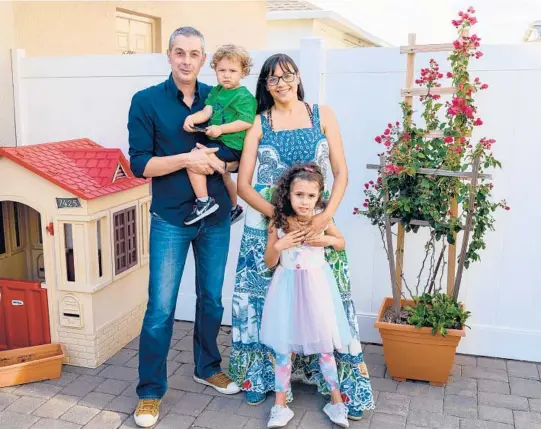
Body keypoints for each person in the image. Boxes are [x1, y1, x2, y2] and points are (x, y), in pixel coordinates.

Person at [228, 53, 375, 420]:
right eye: (272, 78)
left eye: (287, 75)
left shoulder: (322, 114)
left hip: (315, 222)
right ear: (264, 85)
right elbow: (244, 186)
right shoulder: (258, 123)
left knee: (326, 300)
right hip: (267, 223)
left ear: (298, 77)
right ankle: (262, 380)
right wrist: (281, 218)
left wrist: (324, 216)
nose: (281, 83)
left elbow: (341, 173)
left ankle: (337, 387)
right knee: (263, 300)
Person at [128, 27, 240, 428]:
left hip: (215, 217)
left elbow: (235, 156)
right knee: (160, 309)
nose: (187, 60)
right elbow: (140, 164)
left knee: (211, 299)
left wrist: (216, 163)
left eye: (194, 53)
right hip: (171, 219)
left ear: (204, 57)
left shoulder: (220, 97)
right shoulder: (146, 102)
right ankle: (150, 392)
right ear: (169, 55)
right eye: (180, 52)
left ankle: (207, 367)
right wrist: (186, 160)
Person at [261, 163, 361, 428]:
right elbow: (270, 261)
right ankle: (280, 405)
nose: (304, 202)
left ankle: (336, 401)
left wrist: (326, 240)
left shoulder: (322, 218)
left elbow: (341, 242)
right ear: (288, 194)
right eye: (299, 195)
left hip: (317, 288)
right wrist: (281, 244)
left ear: (319, 196)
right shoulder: (279, 220)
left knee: (325, 348)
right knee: (284, 349)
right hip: (287, 289)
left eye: (310, 196)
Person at [183, 44, 257, 226]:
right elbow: (207, 111)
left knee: (194, 159)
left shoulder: (244, 96)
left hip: (233, 146)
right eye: (221, 70)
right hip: (221, 142)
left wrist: (221, 129)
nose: (226, 74)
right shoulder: (216, 91)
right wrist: (193, 118)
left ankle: (203, 202)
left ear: (243, 72)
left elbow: (246, 121)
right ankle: (234, 208)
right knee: (224, 176)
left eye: (232, 70)